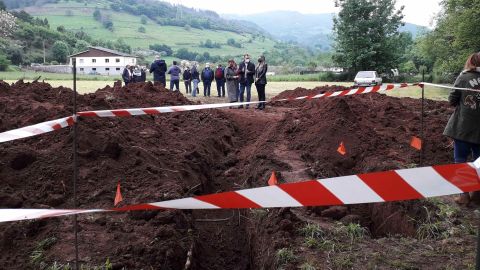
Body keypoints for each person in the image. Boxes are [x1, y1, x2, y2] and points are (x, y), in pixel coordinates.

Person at [443, 52, 480, 205]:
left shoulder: (464, 77)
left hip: (463, 127)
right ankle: (477, 195)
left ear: (471, 62)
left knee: (460, 160)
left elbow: (452, 100)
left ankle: (463, 195)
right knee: (479, 161)